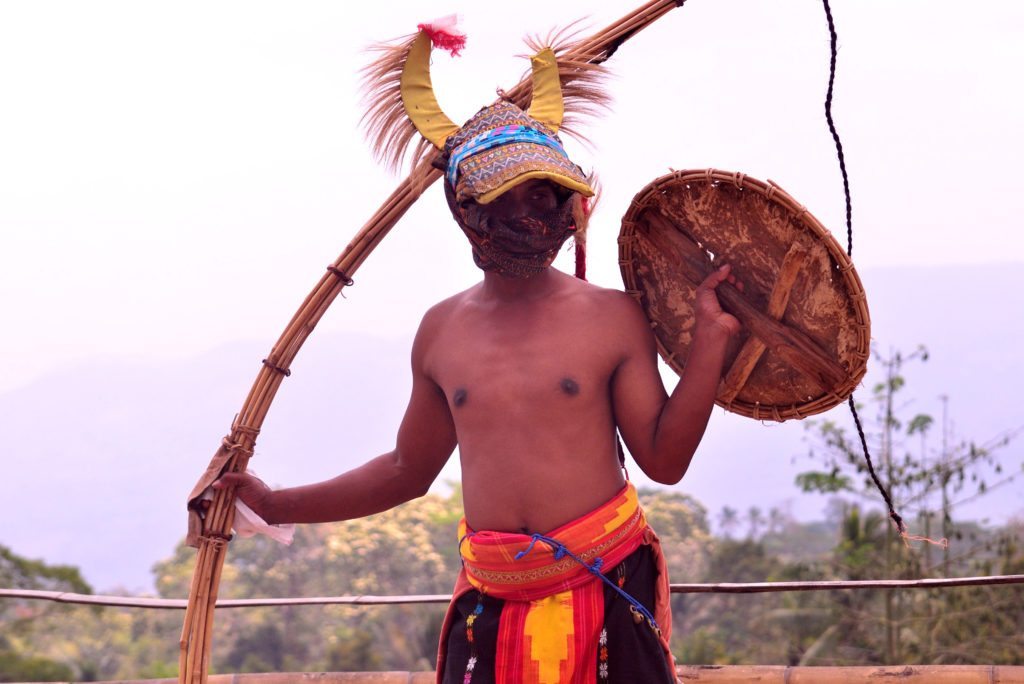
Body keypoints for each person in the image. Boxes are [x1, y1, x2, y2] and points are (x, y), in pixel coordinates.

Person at [212, 22, 741, 684]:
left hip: (607, 595)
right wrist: (277, 503)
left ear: (569, 206)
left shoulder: (613, 317)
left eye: (543, 194)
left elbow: (664, 459)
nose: (527, 213)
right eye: (503, 195)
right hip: (490, 611)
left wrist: (711, 346)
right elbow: (408, 469)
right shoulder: (442, 332)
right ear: (466, 209)